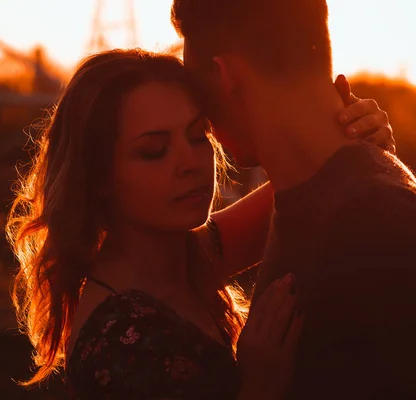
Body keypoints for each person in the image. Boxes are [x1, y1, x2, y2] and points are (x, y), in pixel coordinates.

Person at [7, 49, 394, 399]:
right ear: (99, 179)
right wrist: (261, 388)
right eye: (154, 151)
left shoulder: (187, 255)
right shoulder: (118, 345)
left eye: (197, 136)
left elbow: (307, 178)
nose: (190, 162)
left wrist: (353, 137)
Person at [171, 0, 416, 398]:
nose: (206, 126)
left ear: (225, 75)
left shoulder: (380, 227)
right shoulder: (318, 198)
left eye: (198, 99)